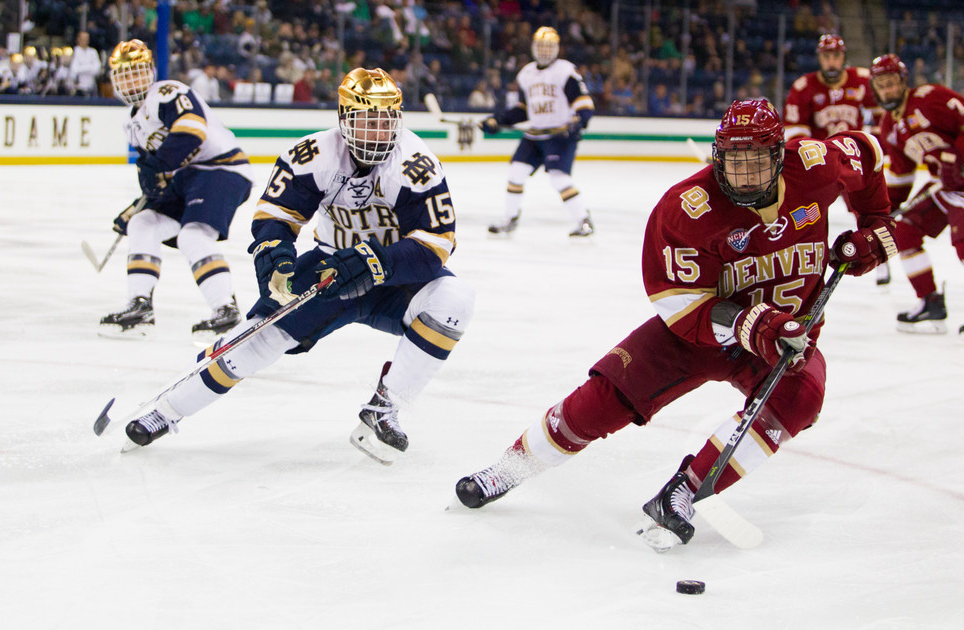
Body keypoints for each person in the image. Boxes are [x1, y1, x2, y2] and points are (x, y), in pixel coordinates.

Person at [454, 99, 897, 551]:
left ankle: (684, 490)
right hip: (700, 333)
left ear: (780, 156)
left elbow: (869, 151)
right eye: (734, 162)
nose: (743, 176)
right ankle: (510, 467)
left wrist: (877, 229)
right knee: (607, 397)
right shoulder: (687, 209)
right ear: (717, 155)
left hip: (782, 342)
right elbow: (682, 307)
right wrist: (752, 324)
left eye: (757, 162)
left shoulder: (816, 166)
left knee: (801, 398)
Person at [116, 67, 475, 465]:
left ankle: (385, 408)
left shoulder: (415, 164)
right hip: (331, 270)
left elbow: (435, 244)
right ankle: (166, 410)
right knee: (256, 339)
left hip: (395, 276)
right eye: (366, 121)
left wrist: (376, 262)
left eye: (385, 120)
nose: (377, 132)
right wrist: (275, 251)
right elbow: (275, 215)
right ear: (343, 119)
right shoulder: (313, 155)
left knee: (455, 299)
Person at [99, 39, 253, 341]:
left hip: (221, 168)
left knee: (193, 234)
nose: (132, 81)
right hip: (189, 178)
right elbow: (159, 179)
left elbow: (192, 131)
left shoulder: (167, 93)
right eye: (124, 75)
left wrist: (157, 164)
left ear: (151, 72)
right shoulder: (133, 125)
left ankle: (226, 310)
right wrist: (140, 204)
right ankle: (140, 305)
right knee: (142, 222)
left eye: (137, 72)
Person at [783, 34, 889, 285]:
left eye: (836, 56)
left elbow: (884, 116)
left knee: (867, 208)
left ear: (843, 57)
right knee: (809, 210)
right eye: (826, 56)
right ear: (820, 58)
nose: (831, 61)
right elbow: (796, 130)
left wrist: (874, 143)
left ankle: (879, 258)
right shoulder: (803, 87)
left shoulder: (862, 79)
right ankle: (802, 258)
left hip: (853, 160)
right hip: (821, 165)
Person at [869, 53, 964, 334]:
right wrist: (887, 210)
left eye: (892, 83)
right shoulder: (889, 127)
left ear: (903, 82)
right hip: (945, 188)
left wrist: (956, 158)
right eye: (881, 85)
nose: (887, 90)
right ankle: (930, 301)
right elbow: (901, 174)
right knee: (905, 229)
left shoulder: (929, 98)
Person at [482, 26, 596, 238]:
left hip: (559, 135)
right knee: (516, 172)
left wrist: (578, 122)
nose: (544, 51)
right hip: (534, 135)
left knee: (558, 179)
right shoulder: (526, 74)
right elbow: (524, 109)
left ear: (557, 49)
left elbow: (584, 103)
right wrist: (498, 120)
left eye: (549, 47)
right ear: (534, 48)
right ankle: (510, 219)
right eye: (541, 46)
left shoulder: (565, 71)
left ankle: (584, 221)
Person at [70, 31, 102, 97]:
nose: (85, 41)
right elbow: (74, 70)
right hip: (78, 89)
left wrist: (82, 67)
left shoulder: (93, 52)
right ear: (78, 39)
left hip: (92, 88)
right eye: (83, 39)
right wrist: (90, 67)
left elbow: (96, 70)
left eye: (87, 39)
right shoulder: (75, 51)